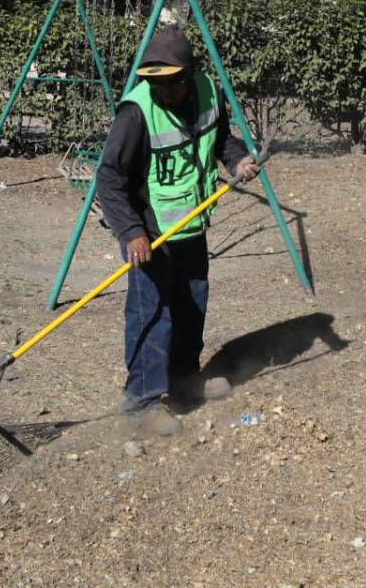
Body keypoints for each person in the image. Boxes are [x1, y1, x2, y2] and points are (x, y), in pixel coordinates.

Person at [96, 27, 260, 436]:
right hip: (149, 236)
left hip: (191, 227)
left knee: (192, 304)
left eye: (171, 83)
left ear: (188, 76)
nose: (162, 90)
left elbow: (220, 138)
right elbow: (109, 177)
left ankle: (184, 379)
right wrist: (131, 232)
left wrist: (237, 160)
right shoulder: (135, 113)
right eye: (155, 83)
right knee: (152, 315)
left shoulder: (207, 90)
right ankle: (142, 402)